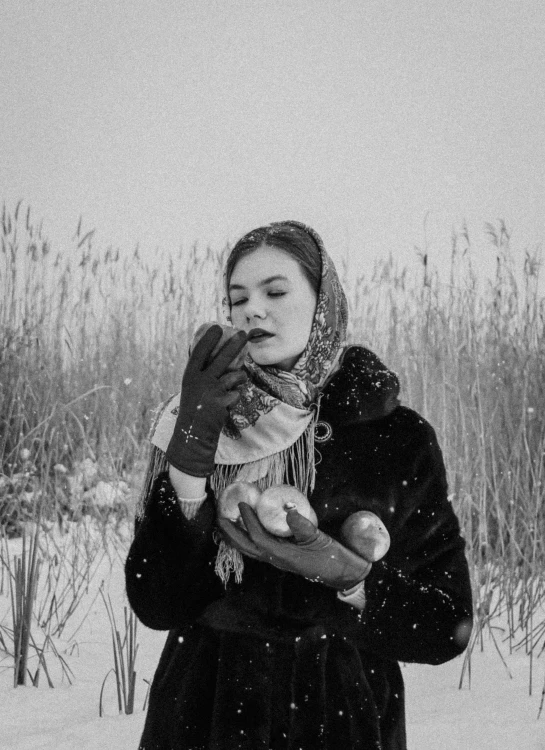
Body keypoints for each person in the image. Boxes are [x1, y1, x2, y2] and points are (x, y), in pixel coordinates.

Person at [126, 221, 473, 750]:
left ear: (323, 302)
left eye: (276, 291)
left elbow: (446, 622)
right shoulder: (199, 419)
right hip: (205, 711)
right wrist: (189, 464)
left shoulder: (393, 436)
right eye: (237, 297)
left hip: (342, 716)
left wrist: (352, 577)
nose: (252, 310)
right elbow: (156, 603)